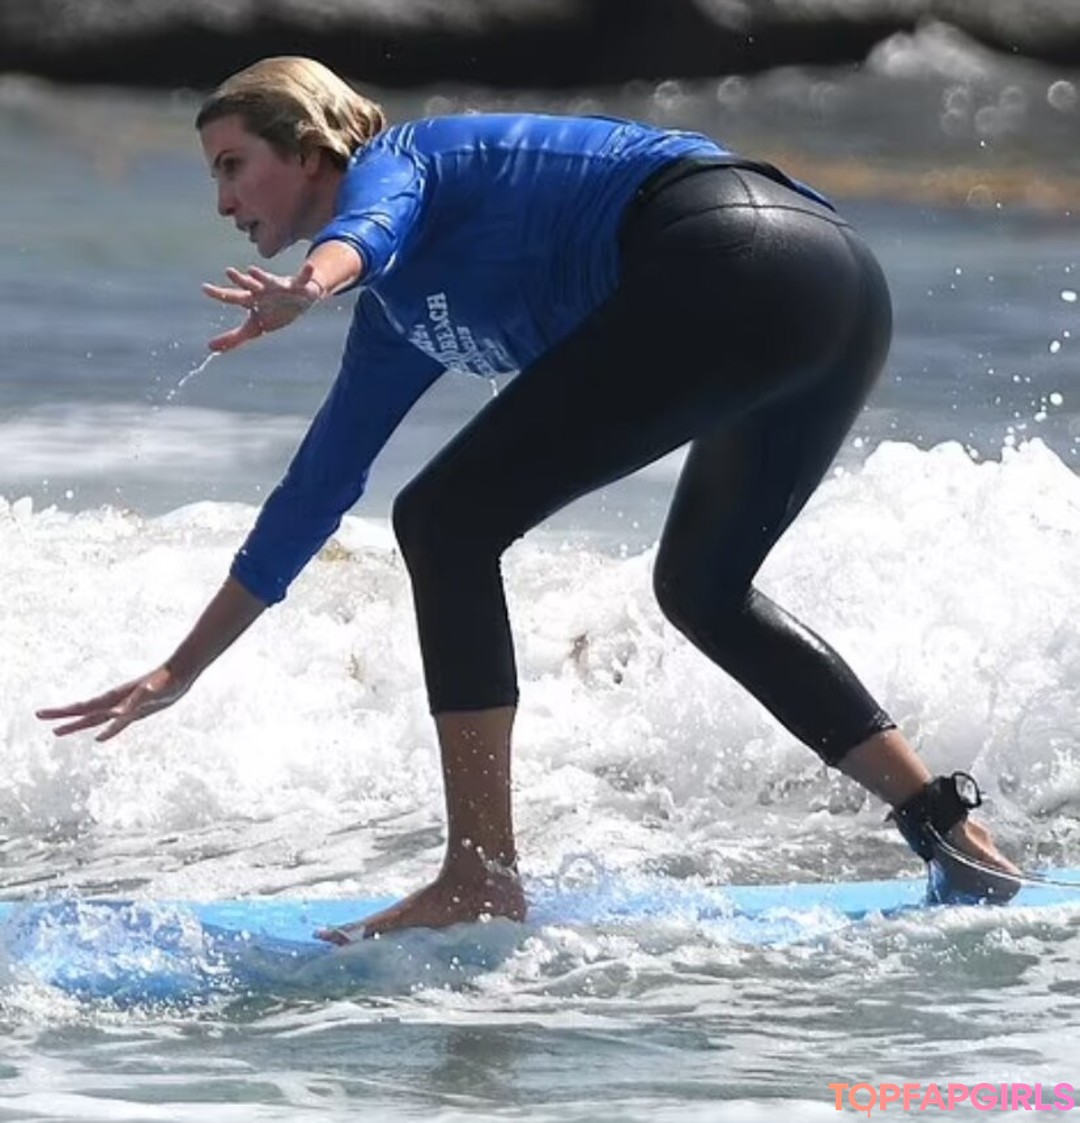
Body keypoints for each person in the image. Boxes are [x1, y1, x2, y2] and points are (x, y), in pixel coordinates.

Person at [37, 56, 1021, 942]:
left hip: (729, 253)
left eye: (232, 165)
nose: (221, 200)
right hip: (829, 288)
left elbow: (369, 230)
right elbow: (313, 494)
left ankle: (480, 874)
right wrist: (181, 668)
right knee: (703, 588)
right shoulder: (397, 322)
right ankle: (946, 826)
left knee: (444, 521)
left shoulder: (399, 163)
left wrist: (311, 282)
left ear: (307, 148)